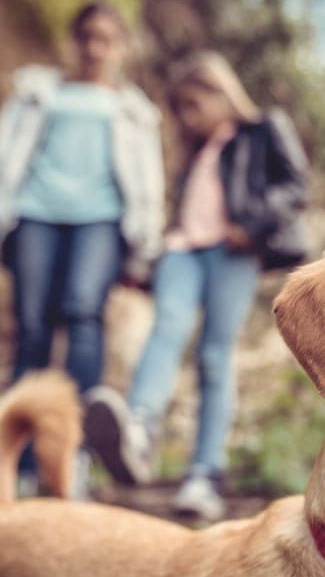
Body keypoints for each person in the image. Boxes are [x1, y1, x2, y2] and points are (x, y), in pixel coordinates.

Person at [85, 51, 308, 521]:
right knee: (166, 328)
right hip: (184, 251)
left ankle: (204, 473)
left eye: (193, 105)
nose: (187, 117)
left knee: (214, 354)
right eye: (181, 109)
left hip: (233, 251)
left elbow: (294, 185)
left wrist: (252, 225)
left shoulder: (262, 129)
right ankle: (139, 432)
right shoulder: (196, 154)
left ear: (219, 92)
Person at [0, 0, 164, 499]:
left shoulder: (134, 110)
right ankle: (20, 462)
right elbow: (6, 151)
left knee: (83, 316)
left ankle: (74, 457)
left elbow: (148, 182)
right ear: (75, 40)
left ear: (122, 47)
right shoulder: (37, 93)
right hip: (35, 214)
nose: (95, 47)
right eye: (88, 36)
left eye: (107, 39)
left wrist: (146, 243)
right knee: (32, 329)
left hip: (101, 220)